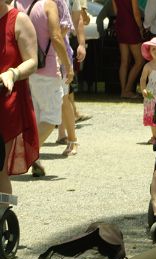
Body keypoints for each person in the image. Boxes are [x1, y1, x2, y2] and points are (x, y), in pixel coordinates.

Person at [16, 0, 74, 177]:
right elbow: (56, 37)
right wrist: (68, 66)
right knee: (51, 118)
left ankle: (35, 159)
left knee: (37, 116)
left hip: (25, 68)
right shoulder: (48, 4)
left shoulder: (16, 4)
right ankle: (24, 151)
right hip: (47, 69)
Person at [0, 0, 39, 195]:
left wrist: (12, 73)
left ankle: (1, 217)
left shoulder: (19, 20)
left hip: (7, 102)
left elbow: (32, 61)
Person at [55, 0, 86, 156]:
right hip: (39, 51)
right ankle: (63, 135)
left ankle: (70, 138)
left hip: (58, 52)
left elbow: (77, 19)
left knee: (64, 97)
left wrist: (81, 43)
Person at [112, 0, 144, 99]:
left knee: (124, 61)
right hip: (131, 25)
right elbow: (136, 13)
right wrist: (141, 28)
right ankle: (128, 89)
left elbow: (116, 12)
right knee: (140, 61)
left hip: (120, 24)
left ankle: (123, 91)